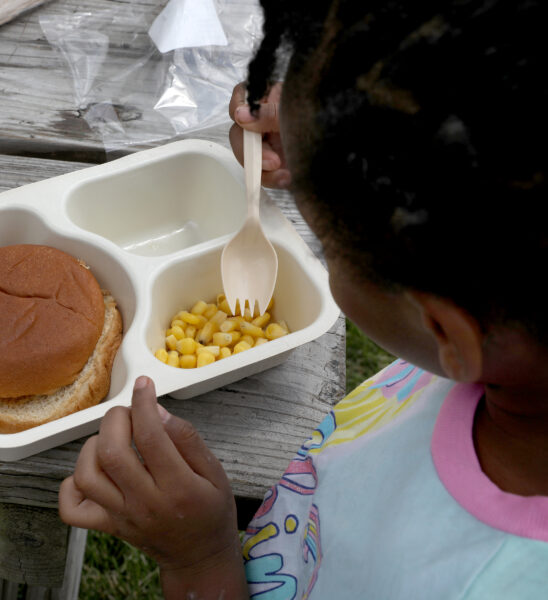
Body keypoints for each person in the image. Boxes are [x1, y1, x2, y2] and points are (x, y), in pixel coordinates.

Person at [58, 0, 548, 597]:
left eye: (326, 243)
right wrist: (338, 134)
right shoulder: (514, 336)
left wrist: (200, 559)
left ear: (447, 332)